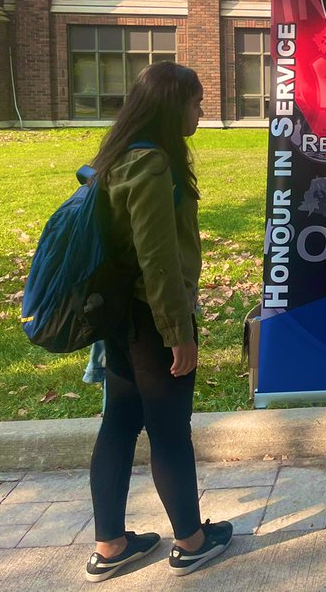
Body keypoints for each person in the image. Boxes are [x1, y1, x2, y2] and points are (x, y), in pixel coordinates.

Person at [85, 62, 232, 582]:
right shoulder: (151, 166)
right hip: (150, 318)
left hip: (120, 317)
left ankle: (112, 545)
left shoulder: (118, 157)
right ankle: (190, 542)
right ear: (172, 106)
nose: (201, 109)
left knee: (120, 422)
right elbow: (158, 258)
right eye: (195, 101)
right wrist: (179, 333)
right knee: (169, 430)